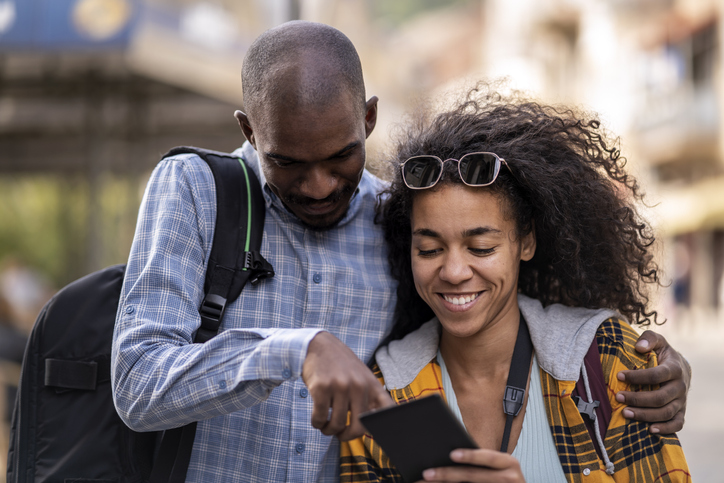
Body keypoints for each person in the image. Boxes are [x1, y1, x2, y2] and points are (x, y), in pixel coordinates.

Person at [112, 21, 689, 482]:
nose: (317, 185)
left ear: (369, 118)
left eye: (340, 155)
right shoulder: (195, 189)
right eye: (287, 161)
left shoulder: (399, 217)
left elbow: (500, 303)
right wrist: (296, 350)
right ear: (249, 130)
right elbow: (137, 383)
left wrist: (641, 359)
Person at [341, 87, 690, 482]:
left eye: (481, 247)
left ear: (526, 241)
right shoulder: (386, 396)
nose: (454, 271)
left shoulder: (606, 359)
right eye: (429, 249)